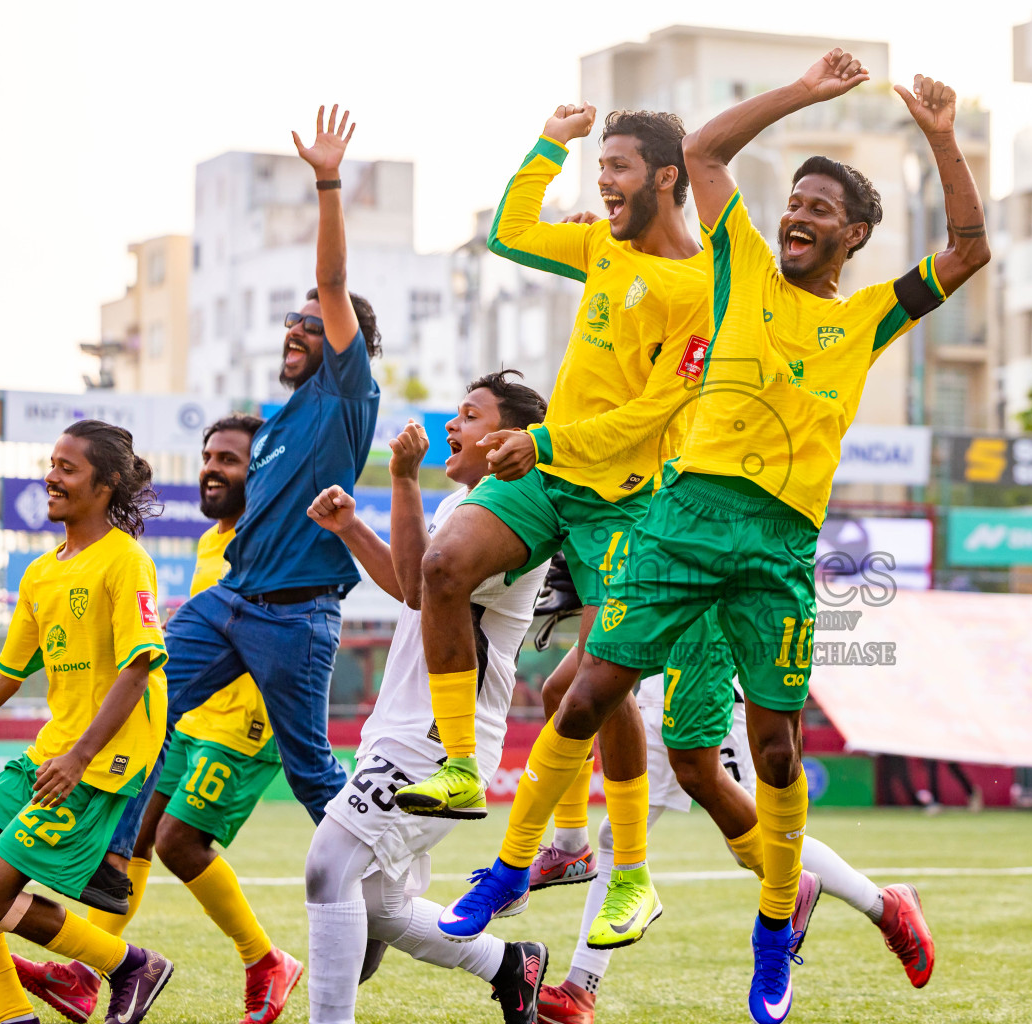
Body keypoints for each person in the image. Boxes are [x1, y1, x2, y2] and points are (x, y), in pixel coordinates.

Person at [442, 52, 988, 1024]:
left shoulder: (869, 317)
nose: (798, 215)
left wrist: (942, 138)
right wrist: (806, 93)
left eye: (821, 209)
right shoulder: (735, 270)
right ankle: (516, 873)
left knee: (764, 754)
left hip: (776, 550)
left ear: (855, 235)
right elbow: (702, 150)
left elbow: (970, 250)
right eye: (794, 202)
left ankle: (774, 931)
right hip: (682, 523)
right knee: (587, 694)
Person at [396, 103, 714, 882]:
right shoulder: (602, 245)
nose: (602, 181)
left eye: (617, 167)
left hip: (626, 502)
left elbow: (652, 416)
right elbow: (510, 234)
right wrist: (550, 143)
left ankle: (626, 869)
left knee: (599, 683)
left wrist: (539, 441)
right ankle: (461, 768)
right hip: (550, 474)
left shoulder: (702, 287)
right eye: (599, 166)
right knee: (442, 566)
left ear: (665, 177)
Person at [105, 105, 382, 863]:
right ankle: (113, 859)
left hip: (295, 617)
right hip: (232, 600)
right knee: (144, 692)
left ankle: (380, 878)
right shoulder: (279, 422)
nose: (297, 327)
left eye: (313, 322)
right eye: (292, 319)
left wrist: (327, 182)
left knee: (311, 771)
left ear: (345, 342)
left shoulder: (345, 397)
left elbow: (333, 280)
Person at [12, 414, 303, 1023]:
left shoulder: (279, 540)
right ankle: (87, 971)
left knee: (177, 841)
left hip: (244, 726)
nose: (212, 469)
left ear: (264, 471)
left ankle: (264, 959)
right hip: (184, 719)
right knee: (140, 833)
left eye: (229, 459)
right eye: (208, 457)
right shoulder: (210, 541)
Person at [531, 621, 936, 1023]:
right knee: (617, 836)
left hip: (713, 686)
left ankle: (882, 905)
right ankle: (580, 991)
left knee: (756, 839)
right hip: (658, 685)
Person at [303, 373, 551, 1024]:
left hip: (440, 740)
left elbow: (419, 586)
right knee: (378, 902)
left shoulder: (516, 508)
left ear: (511, 439)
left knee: (329, 866)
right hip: (405, 728)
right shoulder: (467, 505)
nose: (451, 425)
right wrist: (352, 529)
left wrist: (404, 479)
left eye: (469, 415)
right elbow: (412, 586)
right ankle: (509, 965)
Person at [0, 421, 173, 1024]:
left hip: (101, 758)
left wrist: (80, 757)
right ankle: (18, 1017)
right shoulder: (40, 573)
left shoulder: (126, 561)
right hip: (51, 751)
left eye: (67, 468)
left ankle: (131, 965)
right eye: (51, 465)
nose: (51, 478)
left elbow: (138, 668)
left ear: (105, 484)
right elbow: (4, 676)